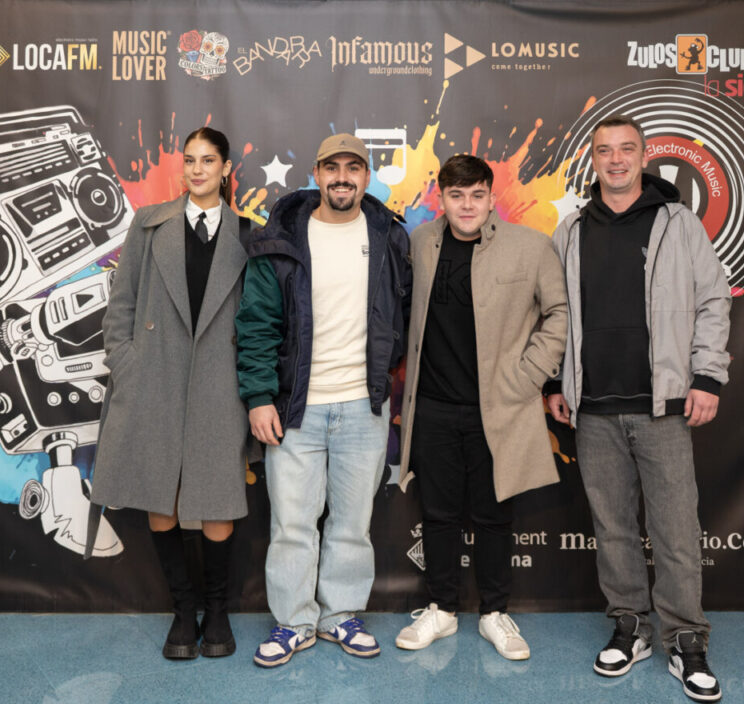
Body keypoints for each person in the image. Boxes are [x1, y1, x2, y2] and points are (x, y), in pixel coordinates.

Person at [547, 114, 731, 703]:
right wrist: (554, 381)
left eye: (627, 149)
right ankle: (629, 626)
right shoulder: (572, 229)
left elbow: (712, 300)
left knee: (675, 527)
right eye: (605, 150)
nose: (616, 159)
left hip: (664, 405)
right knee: (613, 527)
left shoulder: (679, 222)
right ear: (593, 159)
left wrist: (707, 376)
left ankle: (685, 637)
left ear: (644, 156)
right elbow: (554, 314)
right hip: (593, 407)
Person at [235, 133, 412, 667]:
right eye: (332, 167)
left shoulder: (389, 236)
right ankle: (294, 622)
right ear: (316, 173)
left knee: (352, 525)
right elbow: (257, 323)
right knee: (292, 525)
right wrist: (259, 396)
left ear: (366, 176)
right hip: (296, 408)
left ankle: (341, 615)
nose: (342, 177)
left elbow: (401, 314)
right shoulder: (282, 238)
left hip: (364, 406)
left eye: (353, 168)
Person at [394, 154, 567, 659]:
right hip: (433, 406)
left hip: (501, 407)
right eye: (456, 195)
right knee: (439, 514)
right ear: (441, 199)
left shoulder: (530, 246)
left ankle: (494, 613)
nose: (466, 205)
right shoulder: (420, 243)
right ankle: (442, 609)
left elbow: (558, 314)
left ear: (492, 198)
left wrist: (529, 376)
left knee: (494, 515)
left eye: (476, 195)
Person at [91, 127, 254, 660]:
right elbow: (122, 303)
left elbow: (255, 316)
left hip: (219, 382)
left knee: (218, 498)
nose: (197, 169)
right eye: (190, 160)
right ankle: (183, 611)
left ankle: (217, 611)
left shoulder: (247, 233)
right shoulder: (149, 223)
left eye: (208, 160)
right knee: (162, 493)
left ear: (225, 169)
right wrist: (127, 364)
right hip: (155, 377)